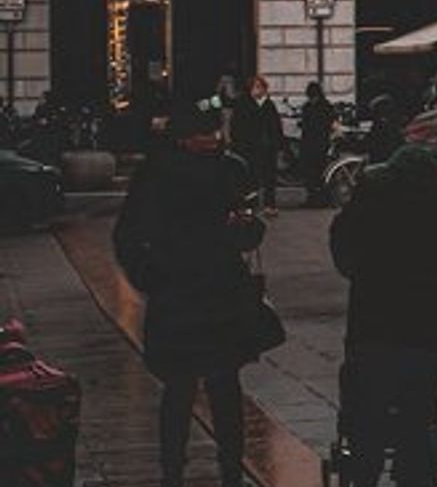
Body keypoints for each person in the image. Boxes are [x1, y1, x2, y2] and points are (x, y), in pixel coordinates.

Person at [330, 107, 437, 487]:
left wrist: (364, 275)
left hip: (374, 316)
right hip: (433, 318)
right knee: (419, 416)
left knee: (367, 411)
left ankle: (364, 475)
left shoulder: (373, 180)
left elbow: (344, 241)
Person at [113, 103, 267, 487]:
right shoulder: (162, 173)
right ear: (184, 137)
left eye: (214, 133)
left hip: (207, 291)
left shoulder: (228, 167)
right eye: (205, 133)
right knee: (190, 389)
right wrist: (151, 275)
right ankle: (180, 473)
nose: (213, 139)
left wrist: (246, 227)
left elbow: (249, 232)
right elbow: (129, 235)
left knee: (216, 388)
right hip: (186, 290)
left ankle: (222, 471)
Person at [228, 75, 283, 215]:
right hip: (249, 147)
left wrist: (278, 143)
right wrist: (237, 143)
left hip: (267, 147)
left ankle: (269, 205)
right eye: (256, 87)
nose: (258, 90)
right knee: (251, 177)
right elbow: (236, 125)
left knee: (269, 177)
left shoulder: (269, 104)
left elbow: (276, 126)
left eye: (261, 87)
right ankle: (251, 205)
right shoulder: (243, 103)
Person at [297, 81, 335, 207]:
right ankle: (316, 198)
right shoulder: (325, 106)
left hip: (314, 143)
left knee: (315, 173)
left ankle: (317, 199)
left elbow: (307, 124)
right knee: (315, 173)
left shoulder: (310, 107)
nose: (311, 98)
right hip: (318, 143)